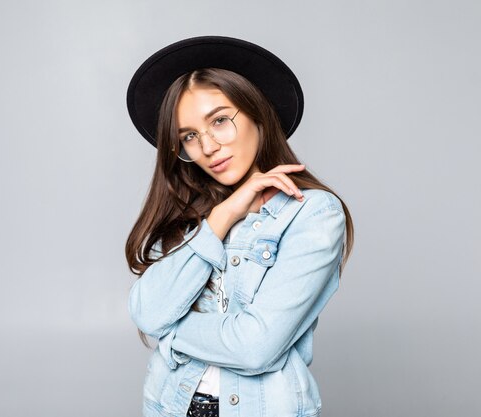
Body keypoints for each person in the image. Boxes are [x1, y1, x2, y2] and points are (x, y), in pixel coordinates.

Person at [125, 36, 354, 417]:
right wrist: (221, 217)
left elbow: (255, 347)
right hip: (169, 405)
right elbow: (147, 313)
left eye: (219, 121)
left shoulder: (312, 214)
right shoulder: (193, 216)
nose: (209, 146)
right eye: (190, 137)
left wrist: (173, 335)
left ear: (258, 114)